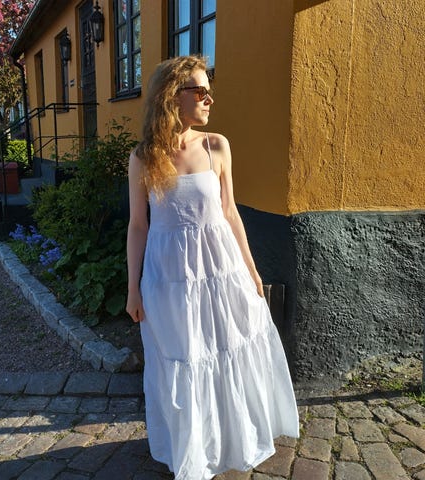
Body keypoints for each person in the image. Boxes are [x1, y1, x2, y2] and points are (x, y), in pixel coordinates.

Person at [126, 55, 299, 480]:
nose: (210, 99)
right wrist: (133, 289)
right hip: (169, 277)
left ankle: (233, 440)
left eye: (209, 91)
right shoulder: (144, 157)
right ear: (173, 95)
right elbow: (137, 225)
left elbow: (230, 212)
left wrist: (252, 272)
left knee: (228, 348)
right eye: (201, 91)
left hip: (221, 269)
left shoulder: (216, 146)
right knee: (185, 357)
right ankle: (193, 448)